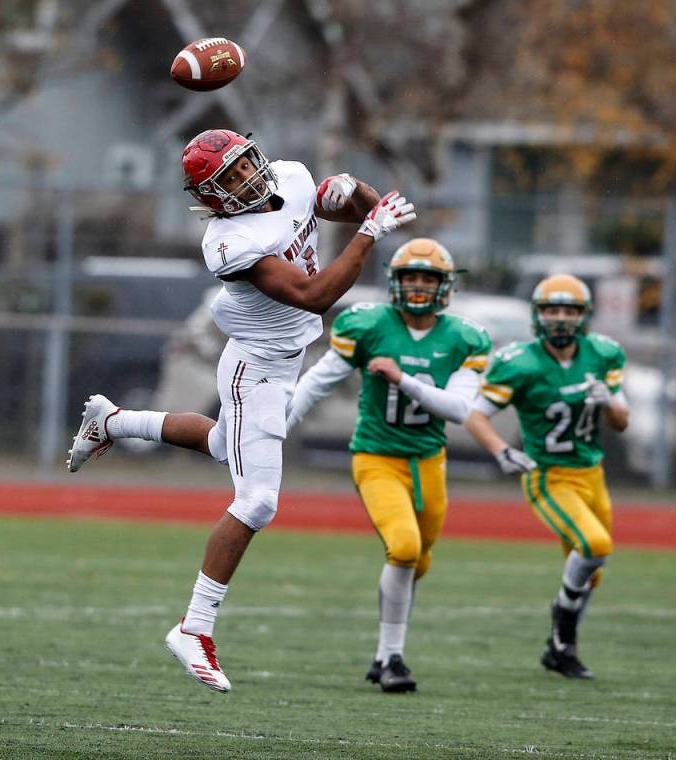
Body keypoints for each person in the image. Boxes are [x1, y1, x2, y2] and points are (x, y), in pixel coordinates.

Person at [66, 128, 416, 692]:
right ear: (210, 198)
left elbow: (337, 196)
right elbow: (312, 295)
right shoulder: (227, 241)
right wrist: (368, 234)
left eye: (244, 164)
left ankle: (110, 420)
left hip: (282, 359)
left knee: (217, 441)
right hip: (255, 365)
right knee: (257, 500)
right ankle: (194, 626)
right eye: (227, 179)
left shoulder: (293, 175)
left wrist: (364, 200)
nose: (245, 179)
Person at [287, 238, 491, 692]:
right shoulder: (370, 325)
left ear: (445, 285)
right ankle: (395, 658)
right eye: (410, 277)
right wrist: (278, 423)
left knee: (417, 560)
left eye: (428, 278)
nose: (419, 286)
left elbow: (459, 410)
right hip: (377, 457)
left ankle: (382, 656)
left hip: (429, 461)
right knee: (402, 547)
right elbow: (315, 384)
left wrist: (403, 380)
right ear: (395, 282)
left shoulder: (463, 337)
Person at [465, 274, 627, 679]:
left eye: (569, 310)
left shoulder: (603, 353)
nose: (560, 318)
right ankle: (563, 620)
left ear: (583, 316)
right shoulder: (519, 361)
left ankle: (560, 648)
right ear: (538, 316)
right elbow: (476, 415)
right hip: (548, 476)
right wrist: (501, 450)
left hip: (592, 473)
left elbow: (622, 422)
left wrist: (609, 403)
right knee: (595, 545)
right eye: (552, 310)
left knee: (593, 569)